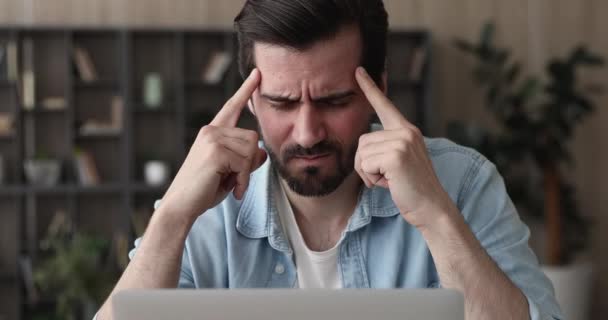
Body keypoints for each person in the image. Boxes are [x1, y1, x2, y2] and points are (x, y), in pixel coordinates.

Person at [96, 1, 563, 319]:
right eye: (281, 102)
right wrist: (172, 217)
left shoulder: (462, 183)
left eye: (335, 100)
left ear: (377, 86)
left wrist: (436, 216)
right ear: (252, 100)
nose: (307, 133)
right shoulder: (204, 207)